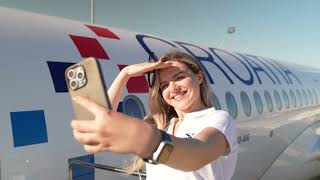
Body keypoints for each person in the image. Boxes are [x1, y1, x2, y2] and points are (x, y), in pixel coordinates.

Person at [70, 50, 238, 180]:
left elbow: (196, 156)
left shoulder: (218, 119)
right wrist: (125, 74)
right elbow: (97, 121)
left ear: (199, 77)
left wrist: (144, 139)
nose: (173, 89)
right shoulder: (164, 125)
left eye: (179, 77)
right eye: (164, 85)